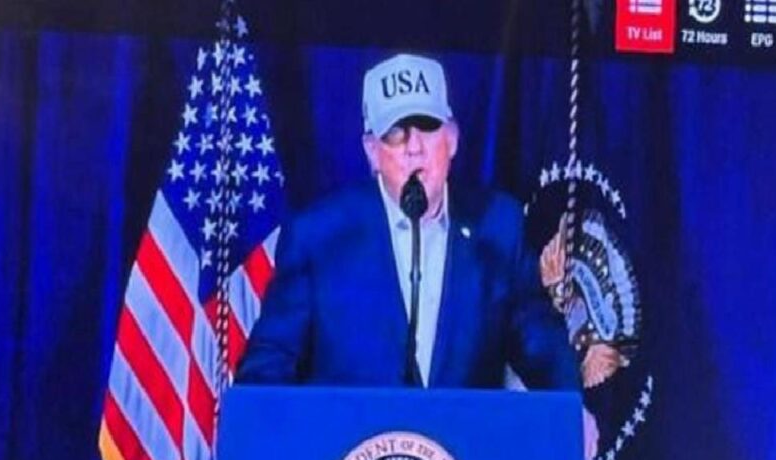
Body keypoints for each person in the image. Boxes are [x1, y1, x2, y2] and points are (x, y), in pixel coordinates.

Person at [235, 53, 580, 395]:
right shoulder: (319, 236)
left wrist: (571, 407)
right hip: (353, 432)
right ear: (372, 151)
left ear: (452, 139)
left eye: (427, 126)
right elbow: (269, 365)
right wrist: (257, 421)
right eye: (396, 133)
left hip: (461, 432)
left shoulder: (498, 226)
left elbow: (540, 344)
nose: (414, 148)